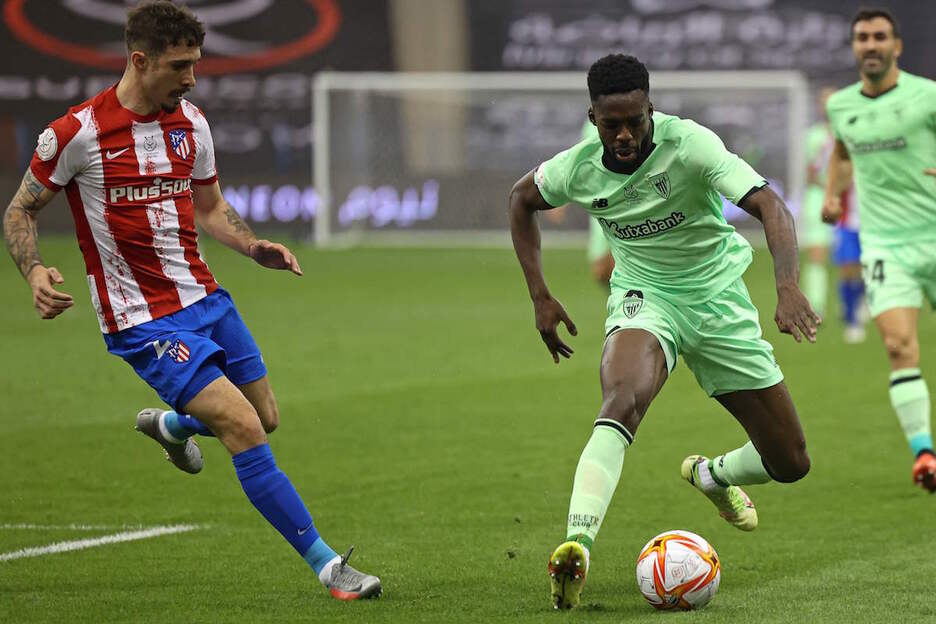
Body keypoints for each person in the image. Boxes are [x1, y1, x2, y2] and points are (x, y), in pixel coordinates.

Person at [2, 1, 380, 600]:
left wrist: (254, 246)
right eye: (180, 66)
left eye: (195, 64)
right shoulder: (76, 133)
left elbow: (209, 209)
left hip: (206, 296)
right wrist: (33, 272)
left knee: (267, 417)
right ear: (139, 60)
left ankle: (173, 428)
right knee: (243, 428)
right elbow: (21, 207)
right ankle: (331, 569)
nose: (191, 78)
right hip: (140, 319)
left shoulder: (191, 124)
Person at [508, 54, 818, 610]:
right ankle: (576, 545)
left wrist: (788, 285)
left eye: (635, 121)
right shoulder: (577, 166)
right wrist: (540, 296)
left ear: (651, 109)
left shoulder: (691, 144)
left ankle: (711, 474)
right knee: (622, 398)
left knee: (790, 462)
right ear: (594, 118)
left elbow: (770, 204)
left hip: (719, 300)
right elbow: (521, 200)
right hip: (644, 299)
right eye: (611, 125)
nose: (625, 135)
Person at [822, 8, 936, 492]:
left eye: (879, 37)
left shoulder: (927, 96)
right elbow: (843, 152)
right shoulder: (840, 106)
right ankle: (924, 454)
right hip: (886, 244)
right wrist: (833, 193)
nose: (870, 45)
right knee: (897, 346)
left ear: (897, 46)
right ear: (854, 47)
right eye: (862, 38)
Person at [802, 87, 866, 343]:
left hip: (849, 201)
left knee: (852, 262)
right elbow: (810, 172)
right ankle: (816, 307)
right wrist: (828, 192)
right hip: (820, 198)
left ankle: (851, 303)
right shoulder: (813, 136)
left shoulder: (852, 133)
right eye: (823, 102)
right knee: (817, 254)